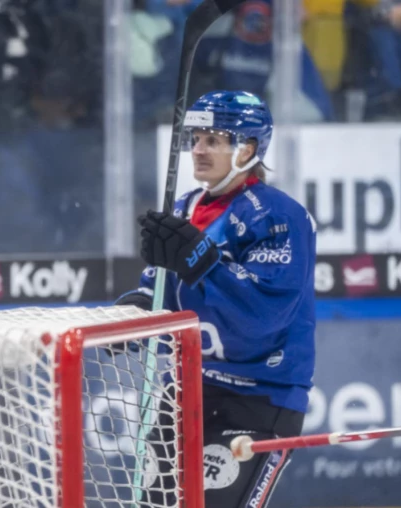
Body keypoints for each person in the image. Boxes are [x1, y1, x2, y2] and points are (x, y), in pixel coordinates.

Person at [114, 91, 316, 507]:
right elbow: (163, 295)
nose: (199, 149)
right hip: (186, 392)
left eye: (214, 139)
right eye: (196, 138)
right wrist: (135, 313)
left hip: (258, 399)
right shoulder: (184, 208)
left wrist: (205, 261)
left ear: (248, 147)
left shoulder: (277, 215)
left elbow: (264, 314)